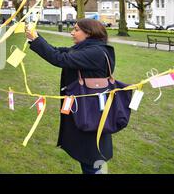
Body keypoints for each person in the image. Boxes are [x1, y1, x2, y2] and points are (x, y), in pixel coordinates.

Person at [25, 18, 115, 174]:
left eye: (76, 29)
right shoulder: (87, 49)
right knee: (88, 153)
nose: (72, 33)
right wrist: (36, 37)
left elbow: (60, 59)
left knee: (92, 157)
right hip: (87, 108)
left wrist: (37, 39)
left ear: (89, 33)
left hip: (91, 111)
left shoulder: (95, 53)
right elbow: (57, 51)